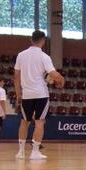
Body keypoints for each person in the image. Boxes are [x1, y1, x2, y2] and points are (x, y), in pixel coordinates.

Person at [14, 30, 64, 160]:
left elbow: (16, 77)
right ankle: (35, 152)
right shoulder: (44, 57)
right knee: (40, 122)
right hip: (41, 93)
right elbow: (53, 74)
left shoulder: (21, 55)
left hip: (27, 94)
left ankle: (21, 152)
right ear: (43, 41)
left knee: (24, 122)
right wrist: (62, 79)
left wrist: (18, 94)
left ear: (31, 40)